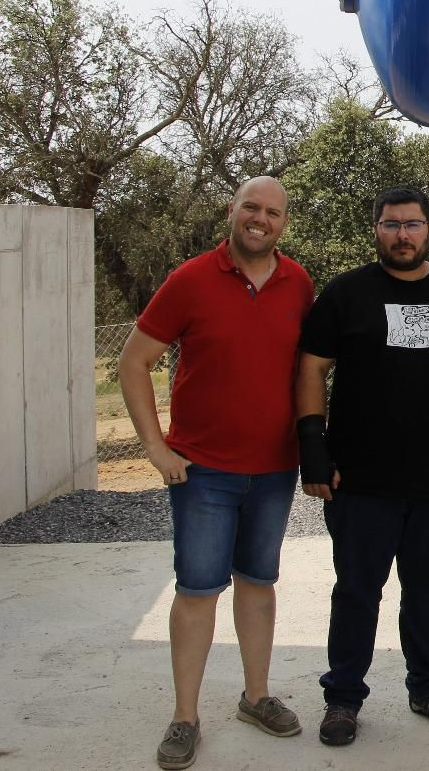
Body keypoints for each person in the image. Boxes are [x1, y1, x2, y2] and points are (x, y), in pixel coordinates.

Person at [295, 186, 429, 748]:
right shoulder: (347, 293)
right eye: (391, 225)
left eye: (413, 225)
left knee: (428, 589)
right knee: (358, 592)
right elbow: (312, 366)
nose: (403, 235)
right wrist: (312, 446)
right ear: (376, 230)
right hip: (361, 480)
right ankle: (342, 698)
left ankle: (428, 687)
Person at [119, 176, 314, 771]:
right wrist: (155, 447)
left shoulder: (298, 283)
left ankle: (255, 697)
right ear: (232, 212)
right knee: (197, 591)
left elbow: (313, 370)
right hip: (203, 473)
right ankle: (185, 717)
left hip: (276, 470)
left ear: (283, 223)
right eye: (251, 208)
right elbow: (133, 362)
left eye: (272, 212)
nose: (261, 219)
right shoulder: (191, 280)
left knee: (258, 584)